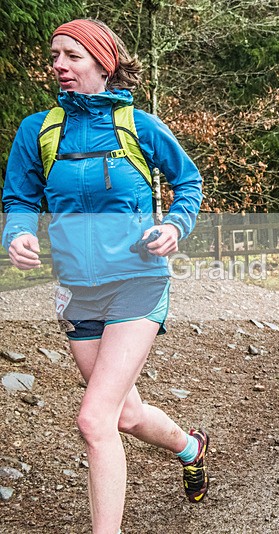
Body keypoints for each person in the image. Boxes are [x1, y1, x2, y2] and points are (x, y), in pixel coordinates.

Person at [2, 19, 206, 533]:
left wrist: (175, 226)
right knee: (124, 414)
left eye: (72, 55)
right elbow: (20, 199)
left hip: (137, 281)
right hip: (77, 291)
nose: (59, 66)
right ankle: (190, 446)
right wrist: (18, 233)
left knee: (94, 419)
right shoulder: (39, 130)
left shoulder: (139, 125)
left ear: (103, 61)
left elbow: (188, 182)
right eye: (55, 56)